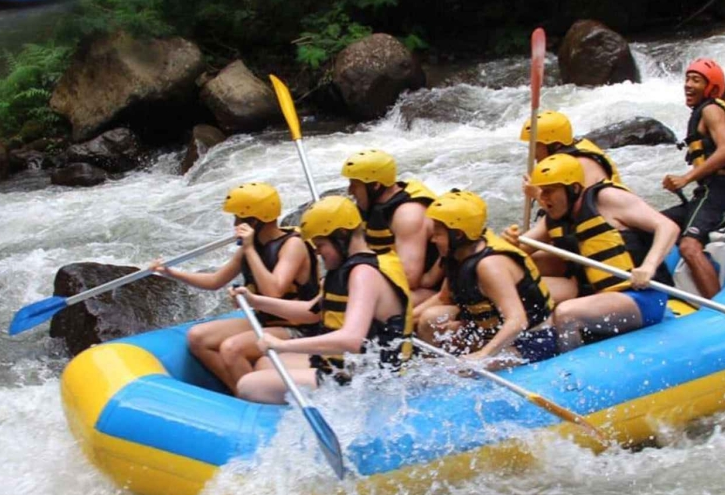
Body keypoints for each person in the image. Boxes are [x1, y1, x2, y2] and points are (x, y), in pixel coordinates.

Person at [233, 196, 412, 404]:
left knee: (248, 385)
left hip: (369, 381)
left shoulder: (364, 274)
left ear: (341, 236)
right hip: (346, 367)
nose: (317, 252)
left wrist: (282, 345)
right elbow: (311, 311)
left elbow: (351, 340)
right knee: (264, 363)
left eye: (320, 245)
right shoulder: (345, 269)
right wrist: (255, 300)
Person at [152, 183, 319, 391]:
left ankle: (258, 398)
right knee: (198, 338)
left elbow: (273, 291)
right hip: (267, 321)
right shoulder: (252, 246)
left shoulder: (292, 245)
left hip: (301, 327)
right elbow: (215, 281)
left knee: (232, 348)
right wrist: (171, 272)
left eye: (238, 218)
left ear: (254, 221)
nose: (235, 224)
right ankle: (241, 392)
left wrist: (249, 249)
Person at [517, 154, 679, 352]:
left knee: (567, 314)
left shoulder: (606, 198)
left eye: (550, 191)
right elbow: (520, 250)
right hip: (599, 299)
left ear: (574, 189)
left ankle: (572, 371)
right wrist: (509, 240)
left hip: (642, 298)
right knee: (538, 323)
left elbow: (667, 226)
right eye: (541, 192)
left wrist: (649, 265)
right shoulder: (555, 218)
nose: (543, 198)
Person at [417, 190, 557, 368]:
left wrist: (482, 356)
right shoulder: (458, 256)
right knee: (430, 319)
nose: (433, 239)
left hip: (529, 342)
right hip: (485, 329)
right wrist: (402, 324)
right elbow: (443, 298)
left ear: (458, 234)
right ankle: (430, 366)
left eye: (438, 232)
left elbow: (517, 321)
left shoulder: (490, 266)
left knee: (456, 371)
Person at [659, 58, 725, 298]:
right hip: (707, 192)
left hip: (722, 190)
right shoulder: (701, 112)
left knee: (689, 246)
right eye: (687, 79)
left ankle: (719, 310)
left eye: (696, 80)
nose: (688, 85)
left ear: (711, 88)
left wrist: (686, 178)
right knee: (657, 225)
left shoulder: (711, 109)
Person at [340, 149, 442, 309]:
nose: (350, 191)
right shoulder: (372, 206)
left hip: (429, 291)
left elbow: (409, 279)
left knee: (364, 307)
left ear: (375, 186)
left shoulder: (408, 214)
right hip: (394, 283)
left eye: (355, 184)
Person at [519, 111, 627, 195]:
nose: (532, 155)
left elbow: (584, 213)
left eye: (536, 146)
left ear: (555, 145)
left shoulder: (582, 164)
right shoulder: (564, 163)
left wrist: (538, 194)